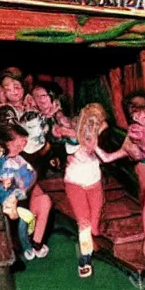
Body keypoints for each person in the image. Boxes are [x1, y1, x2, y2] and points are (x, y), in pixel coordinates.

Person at [96, 91, 145, 259]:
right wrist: (93, 146)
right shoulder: (132, 130)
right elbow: (110, 157)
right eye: (133, 111)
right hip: (139, 173)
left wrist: (139, 138)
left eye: (140, 110)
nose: (136, 115)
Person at [0, 122, 51, 260]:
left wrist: (26, 186)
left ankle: (37, 242)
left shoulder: (18, 158)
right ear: (6, 143)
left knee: (44, 200)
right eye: (18, 145)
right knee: (24, 215)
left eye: (24, 144)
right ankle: (27, 245)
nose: (22, 148)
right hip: (13, 202)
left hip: (25, 194)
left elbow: (33, 173)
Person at [65, 103, 108, 277]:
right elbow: (74, 138)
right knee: (84, 222)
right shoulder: (74, 140)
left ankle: (93, 238)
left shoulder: (98, 136)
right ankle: (85, 257)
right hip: (75, 184)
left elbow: (102, 149)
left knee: (94, 223)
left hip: (94, 183)